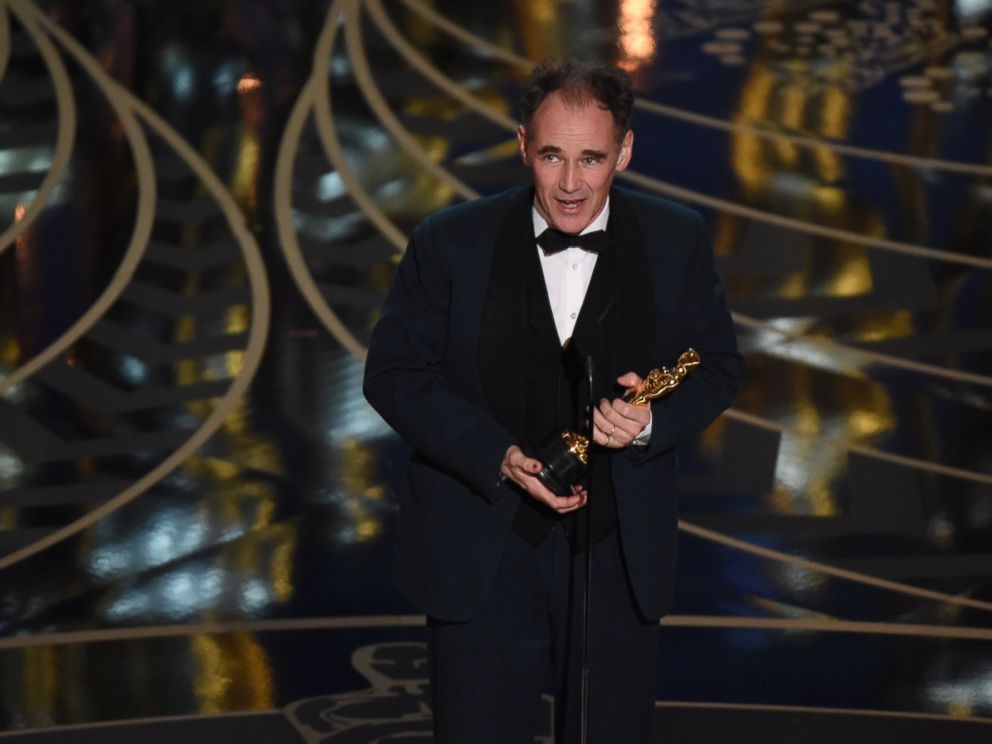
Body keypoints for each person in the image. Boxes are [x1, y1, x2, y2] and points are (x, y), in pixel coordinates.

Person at [363, 59, 743, 744]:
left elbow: (717, 366)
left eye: (592, 158)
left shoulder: (675, 237)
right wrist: (499, 456)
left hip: (616, 551)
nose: (571, 184)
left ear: (625, 150)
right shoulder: (448, 242)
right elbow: (393, 374)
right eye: (552, 156)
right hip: (481, 546)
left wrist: (649, 422)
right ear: (522, 145)